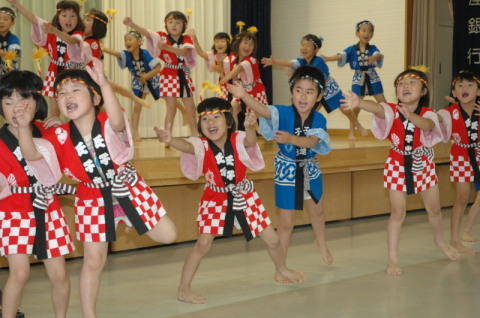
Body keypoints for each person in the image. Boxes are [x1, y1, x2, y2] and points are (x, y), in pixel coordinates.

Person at [16, 58, 177, 317]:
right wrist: (24, 127)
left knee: (168, 235)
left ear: (95, 98)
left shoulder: (107, 120)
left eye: (75, 90)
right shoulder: (58, 135)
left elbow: (116, 121)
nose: (67, 96)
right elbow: (32, 155)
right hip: (92, 197)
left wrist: (104, 83)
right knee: (93, 262)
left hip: (127, 185)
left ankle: (126, 217)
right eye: (61, 94)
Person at [155, 97, 305, 304]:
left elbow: (251, 142)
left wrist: (251, 127)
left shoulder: (237, 138)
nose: (211, 123)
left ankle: (282, 268)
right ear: (200, 125)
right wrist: (170, 140)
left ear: (228, 121)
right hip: (215, 198)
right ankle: (183, 288)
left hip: (245, 195)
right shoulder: (201, 144)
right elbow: (186, 147)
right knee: (203, 244)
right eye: (205, 119)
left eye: (216, 117)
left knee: (273, 239)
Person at [342, 67, 459, 275]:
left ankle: (440, 240)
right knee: (397, 212)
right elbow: (377, 109)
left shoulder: (427, 112)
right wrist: (359, 103)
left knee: (434, 210)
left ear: (423, 91)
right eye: (400, 84)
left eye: (411, 83)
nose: (405, 86)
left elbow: (427, 124)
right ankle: (392, 259)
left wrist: (412, 117)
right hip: (396, 164)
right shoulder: (391, 110)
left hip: (422, 163)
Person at [229, 65, 333, 281]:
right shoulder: (283, 113)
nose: (303, 96)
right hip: (286, 170)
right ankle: (280, 267)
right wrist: (243, 95)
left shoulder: (319, 120)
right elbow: (264, 110)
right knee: (286, 223)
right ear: (292, 92)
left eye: (310, 91)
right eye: (298, 90)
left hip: (310, 169)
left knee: (318, 210)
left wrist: (291, 139)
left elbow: (312, 142)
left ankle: (320, 242)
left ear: (319, 96)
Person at [0, 70, 75, 318]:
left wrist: (62, 127)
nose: (16, 110)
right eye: (8, 103)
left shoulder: (47, 132)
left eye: (24, 103)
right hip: (13, 211)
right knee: (19, 273)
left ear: (37, 104)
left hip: (48, 207)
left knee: (60, 274)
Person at [261, 34, 367, 139]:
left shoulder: (318, 61)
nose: (304, 48)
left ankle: (359, 126)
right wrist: (275, 62)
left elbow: (309, 74)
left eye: (308, 45)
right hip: (315, 91)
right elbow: (289, 63)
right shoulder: (301, 61)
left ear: (315, 49)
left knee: (346, 110)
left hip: (329, 88)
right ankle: (304, 134)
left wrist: (293, 74)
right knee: (308, 112)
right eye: (302, 45)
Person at [123, 11, 198, 137]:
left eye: (178, 22)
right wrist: (132, 24)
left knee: (190, 109)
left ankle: (195, 135)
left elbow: (184, 52)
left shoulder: (186, 38)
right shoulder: (162, 37)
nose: (174, 25)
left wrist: (165, 47)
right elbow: (147, 33)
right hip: (168, 75)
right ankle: (167, 135)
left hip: (183, 75)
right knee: (171, 108)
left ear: (184, 25)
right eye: (170, 22)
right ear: (166, 25)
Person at [8, 0, 86, 117]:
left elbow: (71, 41)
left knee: (77, 108)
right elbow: (33, 18)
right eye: (64, 15)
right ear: (58, 17)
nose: (68, 19)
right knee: (54, 111)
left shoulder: (78, 34)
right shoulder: (51, 30)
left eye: (72, 16)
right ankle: (55, 128)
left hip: (73, 74)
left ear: (78, 19)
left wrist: (54, 31)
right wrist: (16, 3)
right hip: (53, 72)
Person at [437, 70, 480, 253]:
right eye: (460, 85)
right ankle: (455, 239)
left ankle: (467, 230)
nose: (465, 88)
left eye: (470, 85)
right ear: (454, 92)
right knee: (462, 197)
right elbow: (433, 119)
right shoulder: (448, 113)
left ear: (478, 91)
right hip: (460, 155)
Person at [323, 20, 386, 140]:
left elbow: (378, 55)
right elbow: (341, 56)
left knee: (384, 104)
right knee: (355, 106)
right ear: (357, 33)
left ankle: (390, 129)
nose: (367, 33)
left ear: (372, 34)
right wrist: (329, 58)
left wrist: (373, 57)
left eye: (370, 31)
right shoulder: (352, 49)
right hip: (358, 78)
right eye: (364, 30)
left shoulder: (373, 48)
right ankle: (351, 132)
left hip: (372, 77)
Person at [103, 31, 161, 141]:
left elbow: (158, 68)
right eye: (126, 40)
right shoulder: (126, 54)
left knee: (168, 99)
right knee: (137, 106)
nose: (127, 42)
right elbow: (116, 53)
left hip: (152, 79)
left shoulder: (146, 54)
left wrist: (147, 75)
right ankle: (136, 133)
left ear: (139, 42)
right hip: (139, 81)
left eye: (130, 39)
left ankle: (183, 111)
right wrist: (104, 49)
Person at [220, 28, 268, 128]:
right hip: (240, 93)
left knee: (263, 116)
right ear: (238, 44)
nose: (248, 47)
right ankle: (234, 135)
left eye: (251, 44)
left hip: (256, 93)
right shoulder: (232, 58)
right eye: (245, 43)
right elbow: (221, 67)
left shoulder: (251, 60)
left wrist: (229, 75)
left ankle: (271, 133)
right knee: (232, 109)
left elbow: (241, 67)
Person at [188, 29, 231, 99]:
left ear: (228, 43)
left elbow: (224, 70)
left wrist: (218, 67)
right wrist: (194, 40)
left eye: (222, 41)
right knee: (224, 105)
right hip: (223, 85)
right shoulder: (213, 55)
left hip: (234, 84)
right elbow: (201, 53)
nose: (219, 44)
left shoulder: (232, 56)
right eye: (217, 42)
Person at [0, 7, 21, 76]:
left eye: (5, 19)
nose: (1, 22)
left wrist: (3, 53)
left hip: (10, 75)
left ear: (12, 23)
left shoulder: (14, 39)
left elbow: (15, 55)